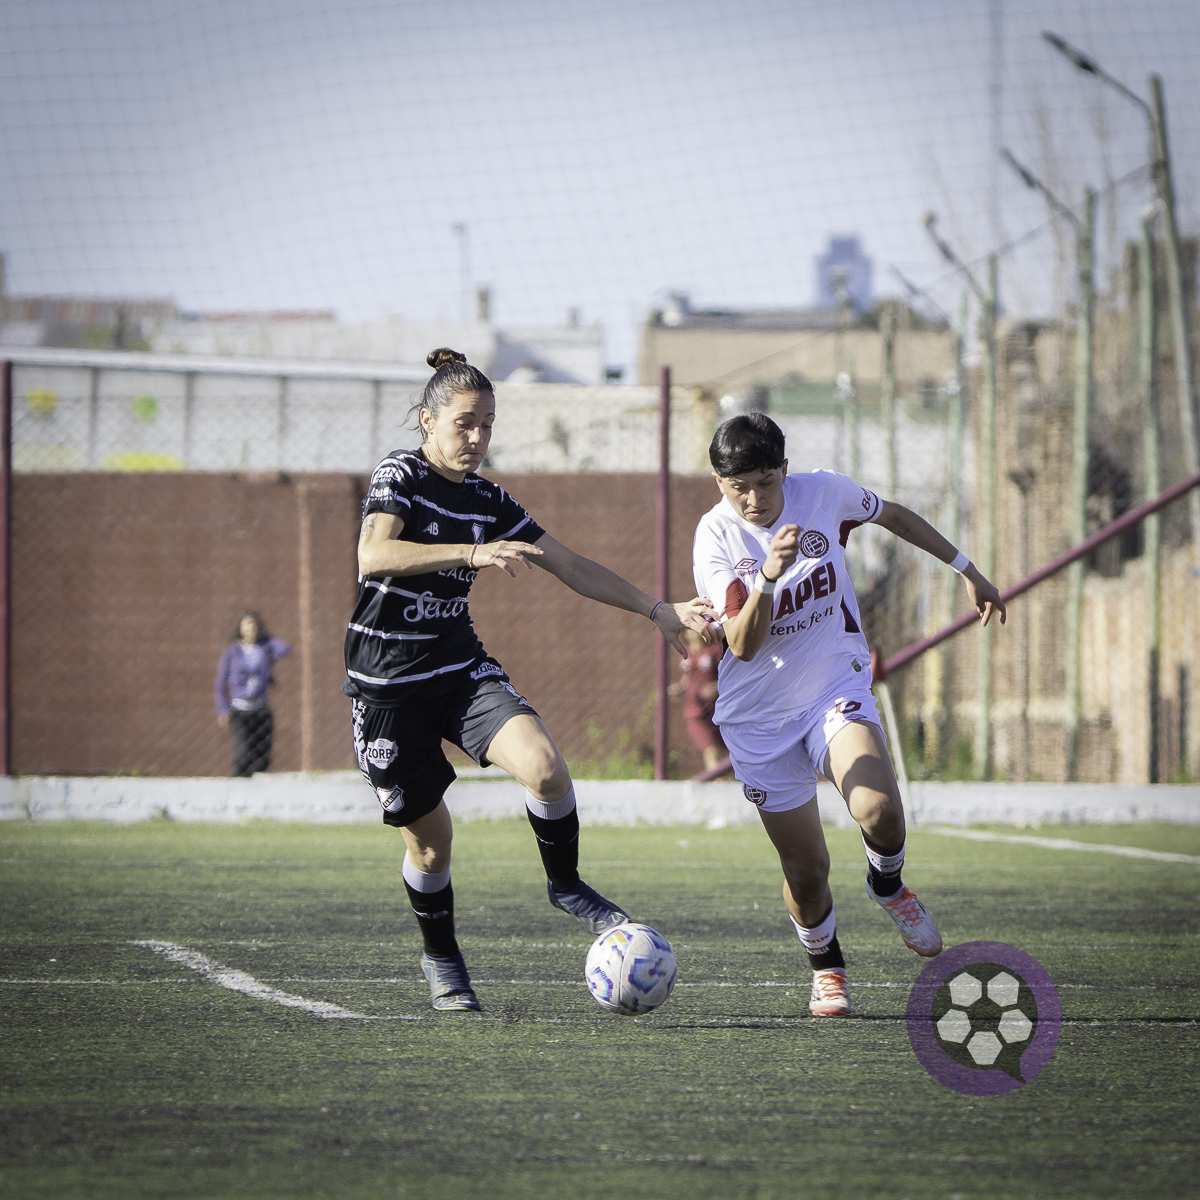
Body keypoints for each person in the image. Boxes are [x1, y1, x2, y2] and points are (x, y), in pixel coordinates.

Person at [343, 347, 715, 1013]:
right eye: (464, 423)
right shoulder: (400, 474)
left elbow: (569, 564)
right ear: (427, 420)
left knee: (545, 767)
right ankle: (441, 955)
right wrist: (471, 552)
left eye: (487, 424)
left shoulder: (487, 498)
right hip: (386, 690)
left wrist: (656, 609)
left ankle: (565, 884)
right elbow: (374, 554)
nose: (477, 437)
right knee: (431, 850)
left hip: (458, 669)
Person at [692, 413, 1005, 1017]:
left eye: (765, 483)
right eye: (738, 488)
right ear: (719, 483)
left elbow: (894, 516)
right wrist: (768, 576)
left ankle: (888, 884)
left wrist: (967, 569)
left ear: (785, 470)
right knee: (807, 872)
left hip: (832, 686)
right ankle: (827, 968)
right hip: (758, 720)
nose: (754, 500)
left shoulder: (824, 493)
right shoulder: (715, 537)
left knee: (879, 811)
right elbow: (742, 645)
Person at [214, 612, 291, 777]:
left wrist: (266, 637)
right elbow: (220, 682)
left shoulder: (265, 648)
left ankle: (259, 791)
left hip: (261, 709)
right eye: (247, 625)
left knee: (261, 759)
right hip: (240, 710)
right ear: (240, 628)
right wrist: (222, 709)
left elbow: (285, 649)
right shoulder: (233, 651)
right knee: (242, 756)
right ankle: (239, 787)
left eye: (254, 625)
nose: (251, 629)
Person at [669, 628, 727, 774]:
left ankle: (724, 780)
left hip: (717, 709)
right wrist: (679, 688)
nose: (693, 633)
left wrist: (717, 686)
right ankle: (715, 781)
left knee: (727, 751)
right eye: (689, 630)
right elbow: (687, 678)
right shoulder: (684, 653)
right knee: (710, 749)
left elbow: (729, 676)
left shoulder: (716, 650)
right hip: (696, 710)